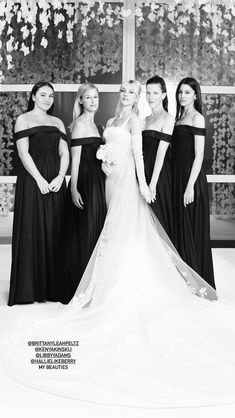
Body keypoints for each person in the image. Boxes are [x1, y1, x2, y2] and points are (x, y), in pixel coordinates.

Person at [4, 81, 235, 409]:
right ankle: (103, 283)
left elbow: (138, 154)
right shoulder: (109, 123)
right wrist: (105, 162)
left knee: (126, 233)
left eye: (131, 93)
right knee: (109, 233)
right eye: (123, 93)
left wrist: (143, 184)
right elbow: (101, 153)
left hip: (127, 183)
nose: (126, 97)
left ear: (137, 97)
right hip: (108, 182)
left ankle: (125, 287)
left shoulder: (134, 122)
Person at [8, 81, 69, 305]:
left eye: (50, 96)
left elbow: (64, 153)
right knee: (32, 231)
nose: (47, 99)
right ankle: (29, 290)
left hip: (55, 181)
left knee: (56, 231)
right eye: (42, 94)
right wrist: (40, 179)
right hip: (33, 181)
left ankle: (54, 289)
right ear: (33, 96)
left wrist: (61, 176)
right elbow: (24, 154)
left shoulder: (58, 122)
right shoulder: (23, 120)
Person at [62, 83, 106, 303]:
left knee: (98, 229)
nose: (92, 101)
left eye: (95, 97)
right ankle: (83, 285)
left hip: (99, 181)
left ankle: (96, 285)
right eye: (88, 98)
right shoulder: (79, 125)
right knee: (88, 229)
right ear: (80, 100)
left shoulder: (97, 126)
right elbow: (75, 161)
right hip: (87, 182)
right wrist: (74, 188)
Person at [171, 77, 215, 289]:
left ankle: (199, 284)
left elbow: (199, 156)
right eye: (180, 92)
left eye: (187, 92)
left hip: (192, 180)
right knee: (180, 229)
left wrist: (189, 186)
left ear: (195, 95)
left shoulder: (197, 118)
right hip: (178, 178)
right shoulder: (178, 119)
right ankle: (185, 283)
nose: (182, 95)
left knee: (191, 229)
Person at [142, 75, 174, 238]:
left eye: (155, 93)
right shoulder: (144, 120)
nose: (150, 97)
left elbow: (161, 153)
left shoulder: (168, 119)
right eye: (148, 93)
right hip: (144, 173)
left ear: (163, 95)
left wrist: (152, 184)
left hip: (159, 176)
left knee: (159, 221)